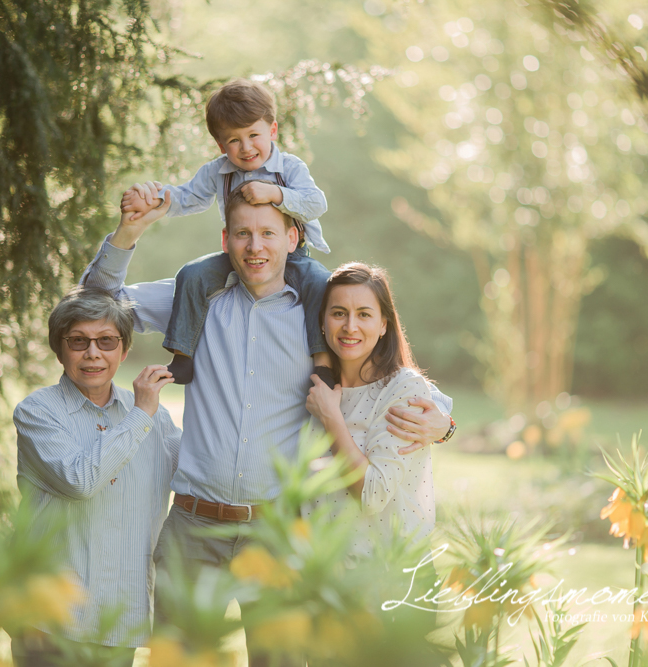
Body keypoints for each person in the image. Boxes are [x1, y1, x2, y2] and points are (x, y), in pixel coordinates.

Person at [81, 182, 455, 665]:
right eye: (242, 234)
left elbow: (389, 382)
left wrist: (444, 424)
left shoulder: (319, 317)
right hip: (193, 529)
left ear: (292, 239)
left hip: (277, 535)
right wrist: (130, 229)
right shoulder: (195, 300)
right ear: (224, 240)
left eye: (268, 233)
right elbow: (95, 300)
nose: (255, 247)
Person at [121, 78, 335, 388]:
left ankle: (323, 363)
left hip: (291, 254)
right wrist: (154, 198)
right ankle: (183, 355)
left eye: (253, 135)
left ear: (272, 131)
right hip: (238, 255)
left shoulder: (288, 167)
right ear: (221, 145)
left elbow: (317, 203)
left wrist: (275, 193)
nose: (246, 147)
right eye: (234, 140)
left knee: (318, 282)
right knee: (192, 274)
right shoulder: (217, 171)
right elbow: (186, 198)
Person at [12, 286, 180, 666]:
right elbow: (81, 481)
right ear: (59, 348)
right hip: (48, 622)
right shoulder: (38, 412)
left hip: (118, 621)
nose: (93, 353)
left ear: (124, 349)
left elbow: (201, 477)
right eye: (78, 341)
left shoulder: (159, 421)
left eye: (106, 341)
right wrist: (141, 415)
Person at [303, 263, 442, 554]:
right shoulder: (316, 387)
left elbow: (371, 494)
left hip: (387, 576)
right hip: (323, 576)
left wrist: (331, 418)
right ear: (322, 321)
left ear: (383, 325)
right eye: (339, 313)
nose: (350, 326)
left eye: (364, 314)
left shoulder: (403, 389)